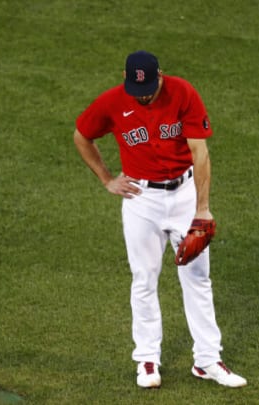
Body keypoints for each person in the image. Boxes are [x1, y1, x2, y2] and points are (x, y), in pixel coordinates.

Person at [72, 50, 247, 389]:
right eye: (138, 92)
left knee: (198, 277)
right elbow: (82, 136)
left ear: (160, 76)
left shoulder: (183, 93)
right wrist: (107, 179)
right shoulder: (111, 102)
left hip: (183, 196)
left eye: (149, 90)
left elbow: (200, 153)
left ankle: (208, 360)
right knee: (144, 278)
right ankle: (147, 360)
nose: (144, 96)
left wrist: (202, 209)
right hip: (141, 199)